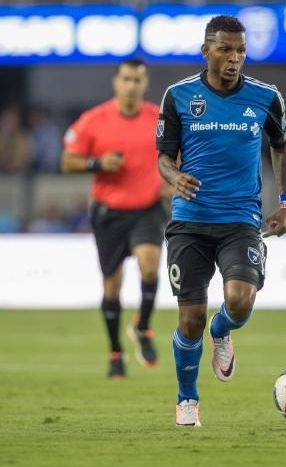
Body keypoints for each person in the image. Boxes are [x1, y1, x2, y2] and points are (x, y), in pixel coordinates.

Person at [156, 15, 286, 426]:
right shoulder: (178, 96)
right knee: (189, 320)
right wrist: (173, 176)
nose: (235, 58)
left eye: (241, 51)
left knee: (239, 302)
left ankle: (222, 329)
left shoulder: (266, 97)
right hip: (190, 221)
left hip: (240, 220)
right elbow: (163, 157)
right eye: (225, 50)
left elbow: (281, 147)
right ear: (206, 52)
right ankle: (187, 399)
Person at [61, 59, 168, 378]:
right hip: (109, 212)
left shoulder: (159, 119)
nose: (131, 86)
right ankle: (116, 353)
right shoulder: (94, 120)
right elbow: (67, 161)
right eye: (126, 79)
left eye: (137, 80)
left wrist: (172, 180)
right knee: (112, 287)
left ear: (145, 84)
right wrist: (97, 163)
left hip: (147, 208)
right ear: (116, 82)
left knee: (150, 265)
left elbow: (177, 154)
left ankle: (143, 327)